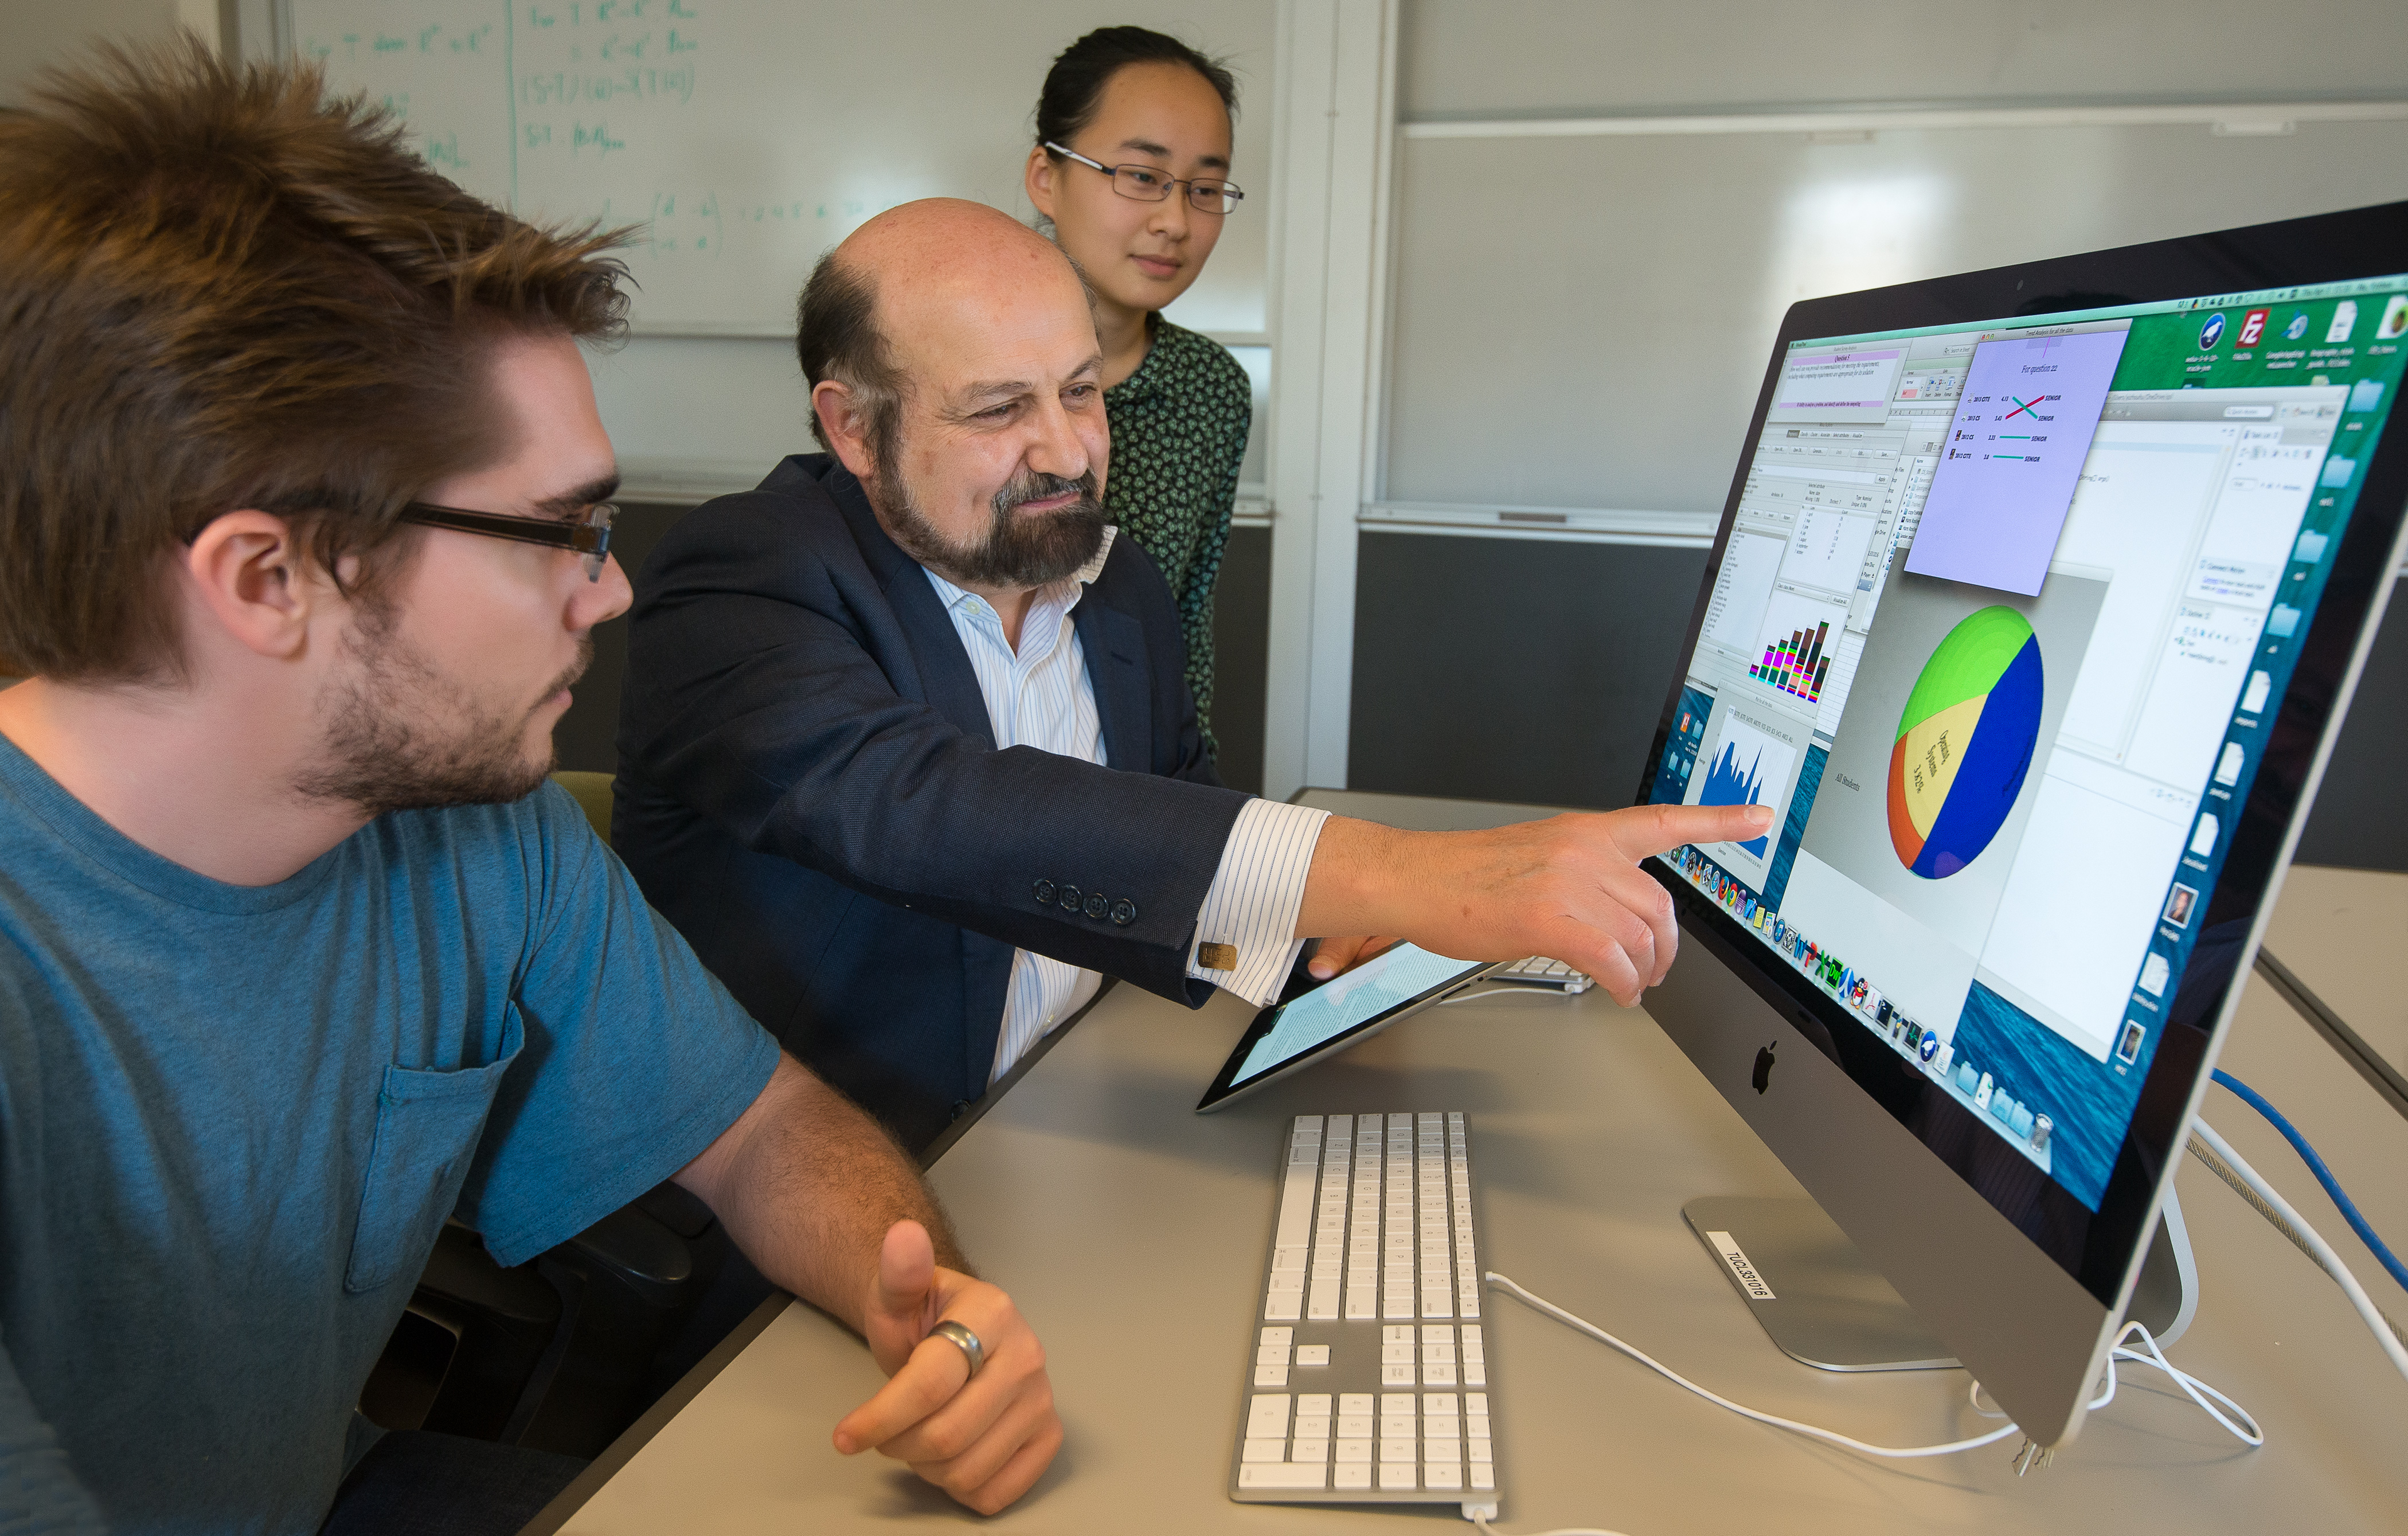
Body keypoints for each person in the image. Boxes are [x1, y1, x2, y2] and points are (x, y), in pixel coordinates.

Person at [0, 45, 1056, 1532]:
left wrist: (935, 1308)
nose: (611, 591)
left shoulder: (476, 828)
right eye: (560, 533)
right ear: (267, 576)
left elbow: (763, 1127)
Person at [613, 196, 1770, 1151]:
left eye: (1080, 390)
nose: (1068, 451)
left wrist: (1312, 939)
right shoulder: (744, 579)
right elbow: (930, 808)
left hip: (1083, 1126)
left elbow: (1168, 831)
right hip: (844, 1196)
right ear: (854, 429)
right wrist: (1411, 871)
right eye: (999, 409)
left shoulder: (1115, 585)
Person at [1025, 26, 1253, 755]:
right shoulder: (952, 363)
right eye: (1142, 175)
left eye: (1205, 189)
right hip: (965, 774)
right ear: (1046, 176)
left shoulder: (1209, 388)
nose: (1175, 222)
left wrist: (1193, 786)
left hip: (1138, 776)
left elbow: (1185, 619)